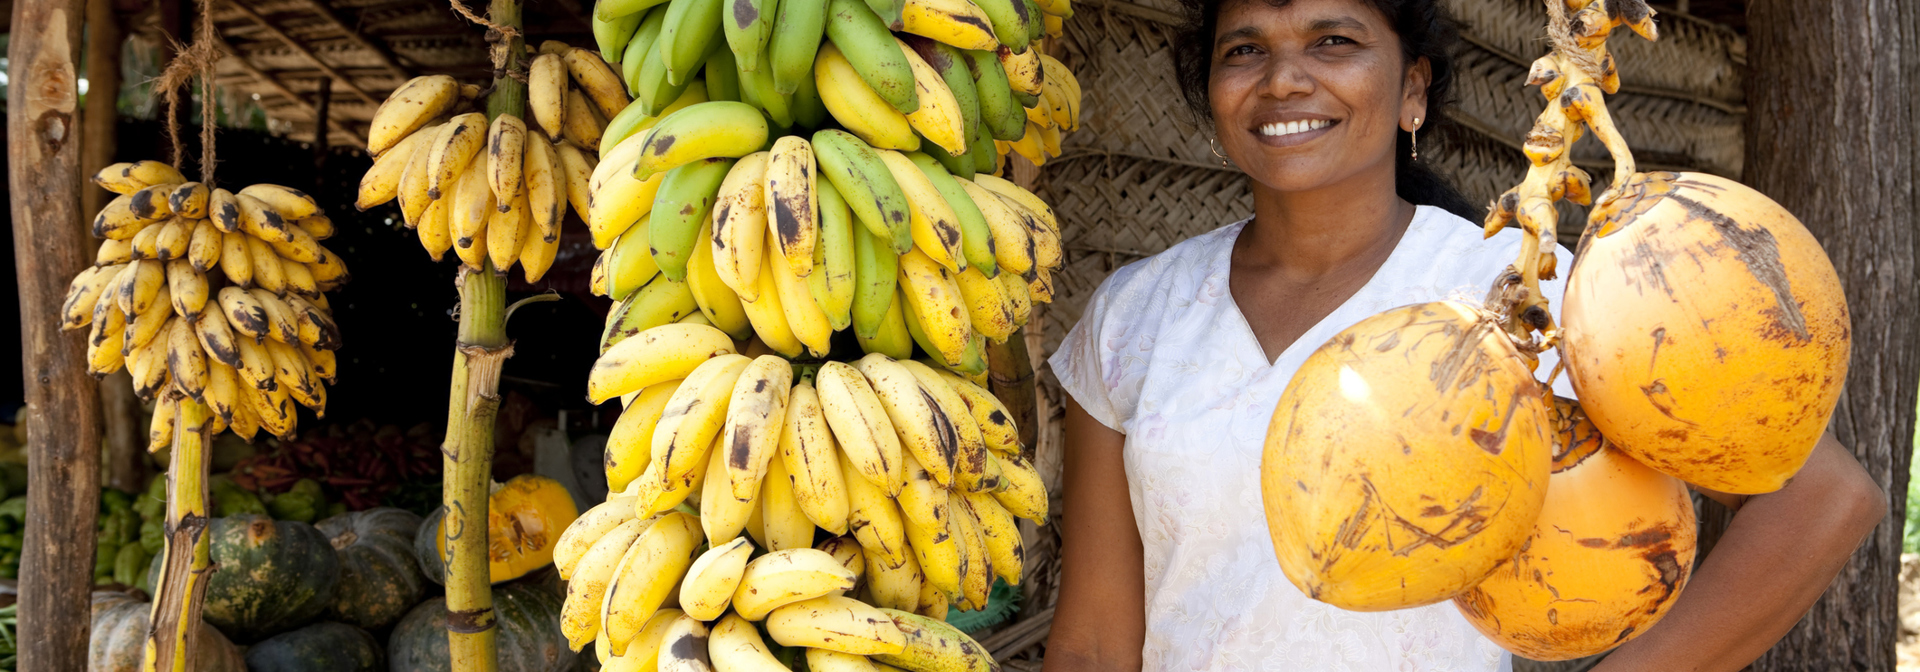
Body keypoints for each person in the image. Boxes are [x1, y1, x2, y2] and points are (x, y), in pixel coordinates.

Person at [1039, 0, 1887, 669]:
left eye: (1333, 40)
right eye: (1244, 49)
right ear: (1212, 96)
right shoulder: (1136, 315)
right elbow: (1094, 646)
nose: (1284, 77)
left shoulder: (1524, 297)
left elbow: (1822, 498)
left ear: (1413, 90)